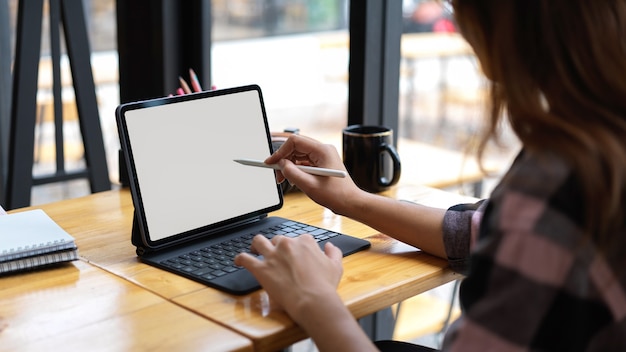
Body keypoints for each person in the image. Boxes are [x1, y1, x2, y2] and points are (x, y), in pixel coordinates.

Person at [234, 0, 626, 351]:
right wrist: (349, 197)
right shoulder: (601, 142)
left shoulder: (561, 182)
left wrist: (315, 301)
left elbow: (526, 233)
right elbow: (481, 231)